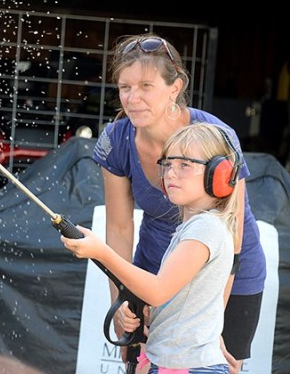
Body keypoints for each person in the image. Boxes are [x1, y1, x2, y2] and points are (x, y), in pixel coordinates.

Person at [89, 34, 266, 373]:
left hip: (227, 274)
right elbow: (120, 228)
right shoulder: (116, 139)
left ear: (175, 87)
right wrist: (121, 304)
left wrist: (208, 328)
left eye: (145, 86)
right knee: (141, 364)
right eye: (125, 87)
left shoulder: (217, 135)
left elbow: (234, 235)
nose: (133, 98)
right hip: (156, 270)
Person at [62, 122, 242, 373]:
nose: (170, 173)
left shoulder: (205, 228)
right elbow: (174, 301)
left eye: (185, 165)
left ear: (218, 173)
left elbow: (158, 290)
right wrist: (142, 313)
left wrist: (101, 252)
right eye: (167, 164)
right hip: (170, 362)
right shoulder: (194, 228)